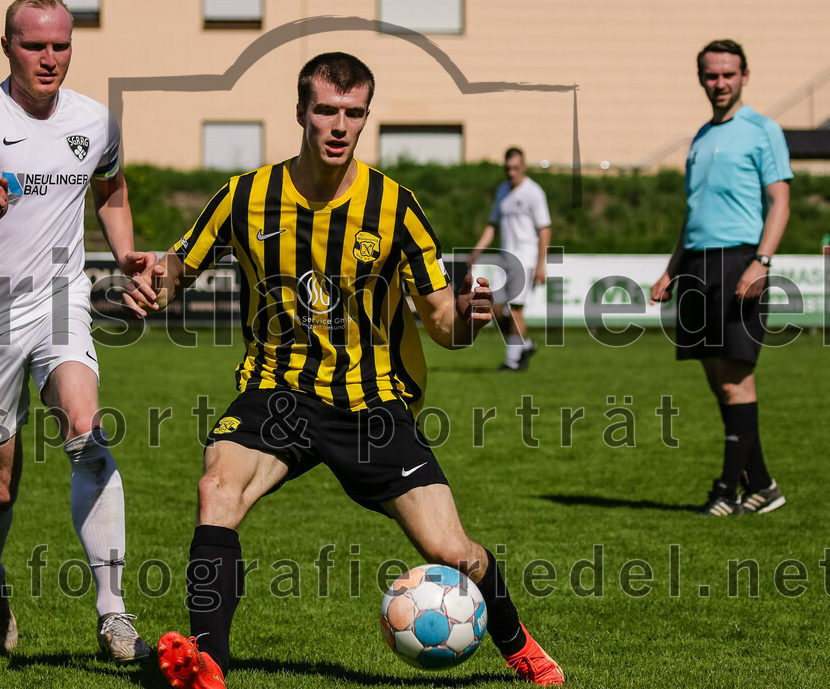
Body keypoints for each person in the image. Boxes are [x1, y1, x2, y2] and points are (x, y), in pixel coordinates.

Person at [124, 52, 564, 687]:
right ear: (300, 112)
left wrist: (472, 316)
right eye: (325, 111)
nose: (338, 126)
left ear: (364, 119)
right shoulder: (246, 196)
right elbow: (176, 271)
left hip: (373, 405)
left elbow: (442, 323)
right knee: (218, 489)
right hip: (276, 389)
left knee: (450, 551)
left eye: (353, 114)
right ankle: (208, 664)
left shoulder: (395, 207)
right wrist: (148, 286)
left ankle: (519, 644)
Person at [0, 0, 152, 661]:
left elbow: (113, 191)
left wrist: (126, 255)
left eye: (61, 45)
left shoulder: (96, 121)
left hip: (59, 300)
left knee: (86, 431)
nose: (49, 58)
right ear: (7, 47)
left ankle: (113, 614)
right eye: (34, 45)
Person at [650, 39, 791, 516]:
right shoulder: (702, 137)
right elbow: (692, 215)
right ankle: (764, 485)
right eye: (712, 75)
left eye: (729, 74)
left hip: (740, 262)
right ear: (701, 79)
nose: (721, 83)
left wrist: (762, 262)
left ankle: (726, 490)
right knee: (717, 383)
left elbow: (780, 201)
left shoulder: (763, 130)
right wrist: (672, 269)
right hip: (697, 267)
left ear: (745, 76)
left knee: (736, 383)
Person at [467, 147, 552, 371]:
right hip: (506, 258)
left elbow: (545, 229)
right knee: (493, 309)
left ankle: (512, 361)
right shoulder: (503, 191)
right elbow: (492, 225)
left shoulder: (534, 192)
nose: (511, 173)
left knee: (515, 310)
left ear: (523, 166)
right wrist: (476, 251)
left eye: (515, 168)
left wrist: (542, 264)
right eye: (508, 168)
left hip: (525, 259)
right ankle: (524, 345)